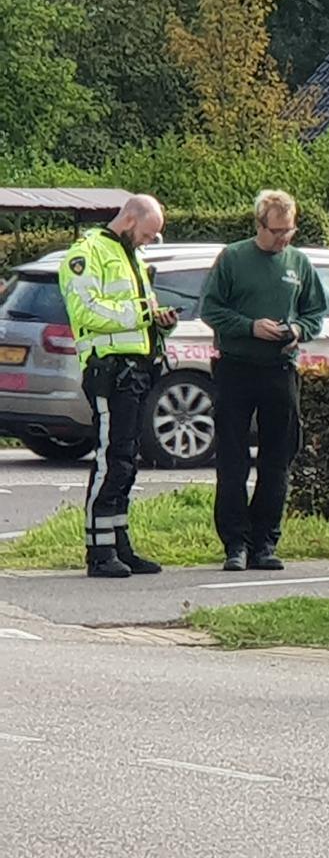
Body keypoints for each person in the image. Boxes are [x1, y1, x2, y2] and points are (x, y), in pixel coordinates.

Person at [199, 189, 328, 572]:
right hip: (236, 368)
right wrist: (250, 327)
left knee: (277, 459)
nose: (282, 238)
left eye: (289, 231)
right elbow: (211, 309)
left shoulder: (299, 263)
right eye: (275, 231)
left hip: (280, 369)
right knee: (233, 459)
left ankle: (265, 542)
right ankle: (234, 543)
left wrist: (297, 330)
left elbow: (315, 312)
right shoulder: (234, 258)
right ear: (259, 225)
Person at [57, 195, 178, 578]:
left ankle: (119, 542)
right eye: (146, 233)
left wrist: (160, 320)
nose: (147, 241)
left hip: (137, 369)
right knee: (112, 457)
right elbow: (85, 310)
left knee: (127, 459)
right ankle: (98, 549)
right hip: (109, 371)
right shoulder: (86, 253)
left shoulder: (133, 256)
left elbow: (142, 310)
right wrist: (143, 313)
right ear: (128, 219)